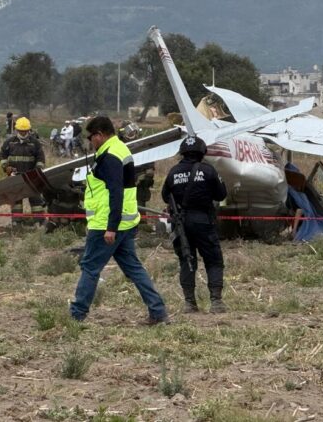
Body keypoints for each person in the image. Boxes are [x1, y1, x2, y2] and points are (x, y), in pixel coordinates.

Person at [69, 116, 168, 325]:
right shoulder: (119, 149)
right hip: (123, 222)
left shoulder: (111, 155)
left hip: (107, 224)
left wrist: (110, 228)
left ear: (100, 134)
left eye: (91, 137)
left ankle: (76, 315)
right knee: (133, 268)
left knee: (90, 267)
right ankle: (158, 312)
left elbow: (116, 192)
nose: (91, 141)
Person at [161, 135, 228, 313]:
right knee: (213, 260)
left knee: (186, 260)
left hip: (181, 223)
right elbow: (221, 195)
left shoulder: (173, 172)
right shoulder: (208, 170)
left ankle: (190, 303)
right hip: (203, 221)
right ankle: (216, 302)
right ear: (202, 152)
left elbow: (165, 196)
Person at [0, 116, 46, 225]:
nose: (23, 133)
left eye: (25, 131)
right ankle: (17, 222)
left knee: (36, 201)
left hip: (31, 177)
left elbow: (40, 158)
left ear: (29, 130)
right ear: (17, 130)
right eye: (21, 131)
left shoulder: (35, 143)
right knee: (16, 201)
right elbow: (2, 155)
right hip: (15, 176)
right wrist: (6, 167)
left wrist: (37, 170)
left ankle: (39, 221)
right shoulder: (9, 142)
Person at [118, 121, 154, 207]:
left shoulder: (143, 147)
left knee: (140, 211)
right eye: (129, 133)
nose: (132, 135)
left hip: (139, 188)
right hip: (122, 187)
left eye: (133, 132)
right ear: (122, 134)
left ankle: (142, 220)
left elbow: (150, 171)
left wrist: (142, 177)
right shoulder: (117, 148)